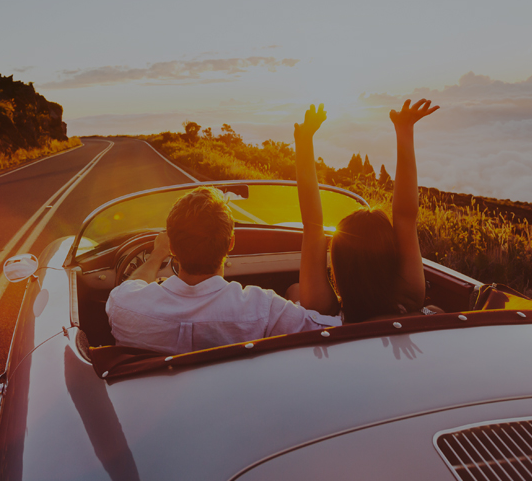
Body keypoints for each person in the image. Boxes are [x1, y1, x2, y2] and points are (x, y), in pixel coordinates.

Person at [106, 186, 341, 354]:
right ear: (231, 243)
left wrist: (157, 255)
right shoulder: (263, 309)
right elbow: (333, 329)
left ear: (173, 248)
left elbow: (131, 286)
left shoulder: (123, 305)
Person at [294, 99, 440, 322]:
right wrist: (404, 130)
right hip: (414, 313)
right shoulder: (410, 299)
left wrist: (304, 141)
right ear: (392, 258)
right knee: (435, 310)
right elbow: (405, 216)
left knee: (293, 291)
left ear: (338, 265)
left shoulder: (325, 311)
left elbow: (312, 226)